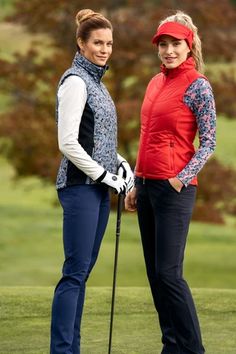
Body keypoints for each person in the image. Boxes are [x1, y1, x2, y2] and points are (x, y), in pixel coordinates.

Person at [125, 10, 216, 354]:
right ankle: (172, 345)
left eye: (175, 43)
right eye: (163, 44)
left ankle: (193, 349)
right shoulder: (154, 83)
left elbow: (208, 141)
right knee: (154, 274)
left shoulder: (198, 87)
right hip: (147, 185)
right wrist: (136, 180)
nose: (168, 50)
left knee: (169, 274)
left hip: (174, 189)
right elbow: (146, 136)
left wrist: (181, 179)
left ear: (188, 45)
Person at [50, 9, 134, 354]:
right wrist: (104, 175)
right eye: (98, 42)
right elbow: (68, 142)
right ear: (81, 43)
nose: (104, 49)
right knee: (75, 273)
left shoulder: (97, 84)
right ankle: (62, 349)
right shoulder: (74, 82)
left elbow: (99, 141)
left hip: (98, 188)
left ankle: (74, 348)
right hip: (79, 188)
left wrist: (122, 165)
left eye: (109, 43)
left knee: (82, 273)